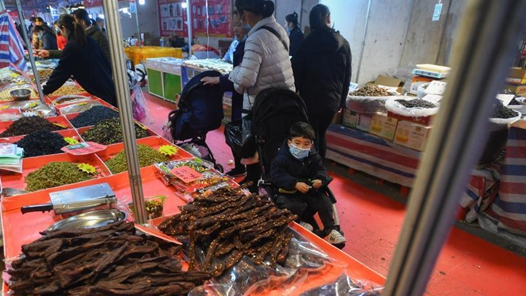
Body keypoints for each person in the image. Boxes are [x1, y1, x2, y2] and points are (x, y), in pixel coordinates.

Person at [229, 0, 295, 192]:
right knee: (276, 145)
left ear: (247, 14)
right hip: (283, 102)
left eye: (240, 14)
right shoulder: (280, 30)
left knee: (250, 143)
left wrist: (233, 73)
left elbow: (246, 79)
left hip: (260, 105)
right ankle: (267, 181)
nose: (240, 19)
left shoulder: (255, 38)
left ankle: (254, 182)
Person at [271, 121, 346, 245]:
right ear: (290, 143)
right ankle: (299, 222)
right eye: (297, 143)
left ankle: (331, 230)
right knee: (293, 206)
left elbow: (320, 170)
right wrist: (294, 183)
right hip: (288, 191)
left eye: (306, 144)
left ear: (311, 145)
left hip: (309, 189)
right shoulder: (281, 158)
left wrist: (320, 180)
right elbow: (277, 175)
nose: (301, 147)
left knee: (325, 201)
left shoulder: (313, 157)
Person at [291, 4, 351, 159]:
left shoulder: (307, 43)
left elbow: (296, 70)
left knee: (311, 135)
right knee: (321, 134)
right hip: (332, 101)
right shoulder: (343, 43)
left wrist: (295, 94)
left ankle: (311, 171)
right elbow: (347, 75)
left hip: (310, 99)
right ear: (328, 18)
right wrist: (341, 101)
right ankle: (318, 172)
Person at [200, 15, 248, 177]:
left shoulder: (250, 45)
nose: (235, 29)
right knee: (236, 132)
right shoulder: (240, 43)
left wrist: (219, 80)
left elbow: (243, 75)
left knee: (242, 134)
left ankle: (252, 175)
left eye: (239, 24)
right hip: (239, 95)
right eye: (234, 25)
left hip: (246, 99)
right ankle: (240, 167)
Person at [42, 14, 116, 107]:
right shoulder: (89, 40)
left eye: (60, 30)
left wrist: (45, 90)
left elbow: (60, 73)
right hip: (108, 85)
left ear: (64, 28)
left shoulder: (72, 46)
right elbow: (106, 62)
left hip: (99, 92)